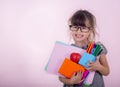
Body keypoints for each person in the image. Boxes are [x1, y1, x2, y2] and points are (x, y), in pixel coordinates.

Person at [59, 9, 110, 87]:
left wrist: (98, 67)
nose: (78, 31)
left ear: (90, 30)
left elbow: (106, 71)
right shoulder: (67, 50)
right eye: (75, 27)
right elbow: (61, 76)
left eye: (83, 28)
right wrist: (70, 81)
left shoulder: (97, 48)